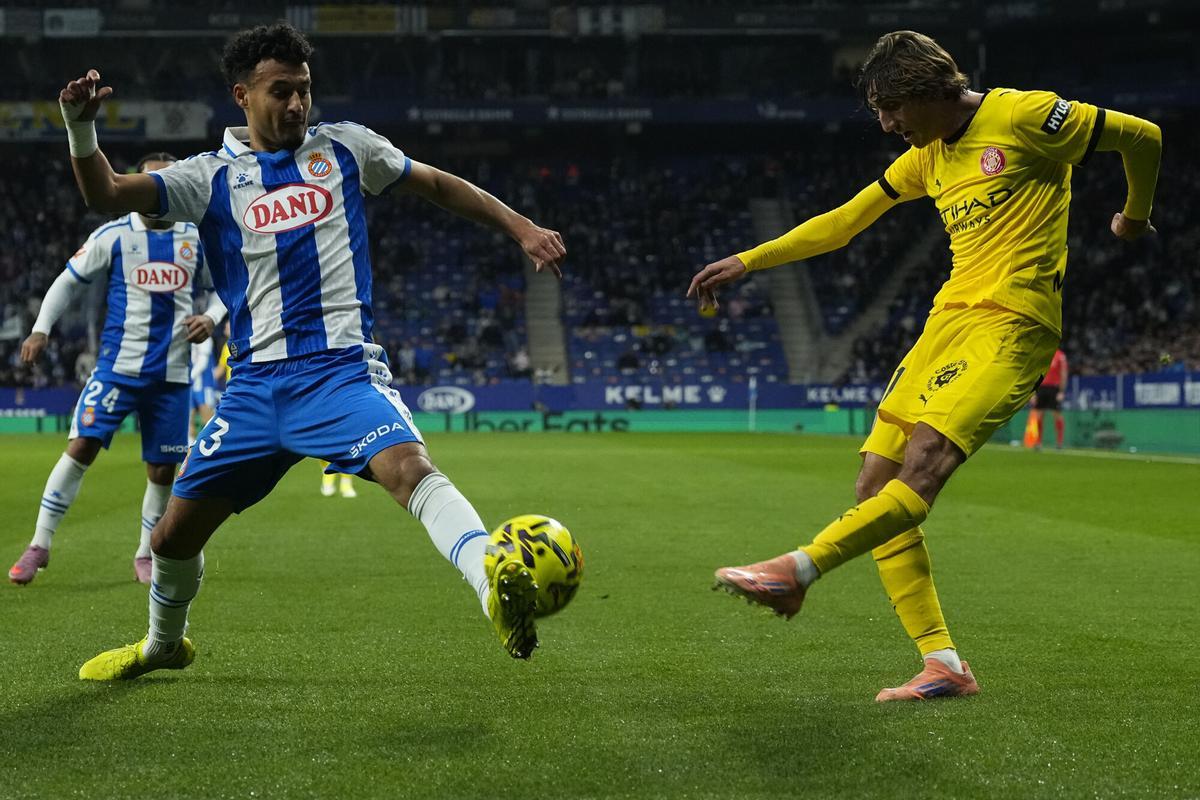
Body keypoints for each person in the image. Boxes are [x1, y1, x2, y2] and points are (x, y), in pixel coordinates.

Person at [60, 22, 566, 680]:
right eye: (281, 92)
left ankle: (491, 588)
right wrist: (79, 127)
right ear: (243, 96)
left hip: (340, 374)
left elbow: (439, 184)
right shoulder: (207, 177)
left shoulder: (349, 149)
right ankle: (163, 644)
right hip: (253, 388)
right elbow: (106, 192)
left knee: (409, 467)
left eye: (304, 90)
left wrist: (520, 226)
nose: (297, 104)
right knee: (170, 539)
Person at [688, 30, 1160, 701]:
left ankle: (798, 570)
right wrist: (749, 261)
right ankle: (944, 665)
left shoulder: (1024, 116)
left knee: (927, 461)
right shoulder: (927, 156)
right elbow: (845, 222)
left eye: (892, 109)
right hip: (947, 325)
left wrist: (1135, 217)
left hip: (1013, 324)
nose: (886, 125)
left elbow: (1142, 136)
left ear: (932, 90)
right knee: (874, 484)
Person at [9, 152, 226, 586]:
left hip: (172, 375)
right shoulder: (114, 235)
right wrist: (40, 329)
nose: (158, 195)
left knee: (162, 470)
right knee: (82, 445)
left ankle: (145, 554)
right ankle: (39, 544)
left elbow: (226, 286)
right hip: (117, 369)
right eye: (151, 185)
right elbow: (69, 279)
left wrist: (212, 317)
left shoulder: (194, 239)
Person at [1030, 347, 1069, 449]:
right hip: (1041, 388)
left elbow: (1063, 374)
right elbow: (1035, 373)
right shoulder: (1042, 354)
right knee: (1038, 416)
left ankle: (1059, 443)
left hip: (1054, 388)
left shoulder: (1060, 356)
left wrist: (1061, 391)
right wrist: (1033, 393)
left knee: (1057, 415)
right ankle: (1038, 443)